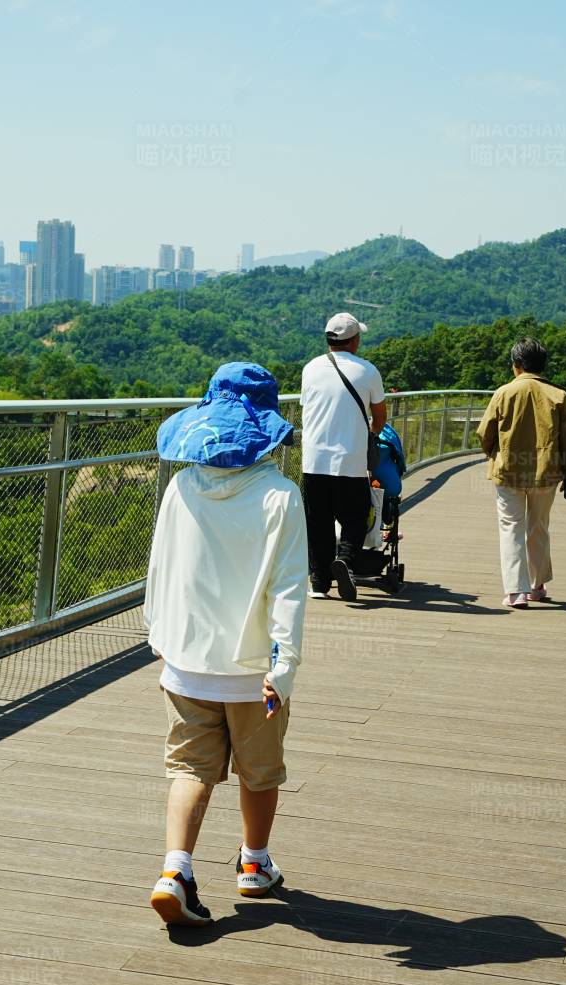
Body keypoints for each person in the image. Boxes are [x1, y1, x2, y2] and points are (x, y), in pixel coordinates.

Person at [144, 362, 308, 927]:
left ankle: (176, 871)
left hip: (186, 662)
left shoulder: (181, 485)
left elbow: (163, 567)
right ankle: (254, 865)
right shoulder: (281, 497)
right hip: (253, 672)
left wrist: (160, 636)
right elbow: (289, 590)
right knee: (260, 774)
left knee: (189, 769)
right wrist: (282, 669)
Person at [475, 338, 566, 609]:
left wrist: (493, 453)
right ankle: (538, 585)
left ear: (517, 365)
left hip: (508, 471)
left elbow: (484, 433)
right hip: (547, 473)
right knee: (539, 526)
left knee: (511, 526)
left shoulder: (503, 393)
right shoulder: (559, 395)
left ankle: (516, 592)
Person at [300, 311, 387, 600]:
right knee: (355, 515)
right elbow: (380, 419)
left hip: (313, 459)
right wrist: (370, 433)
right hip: (350, 459)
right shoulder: (368, 371)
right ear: (355, 341)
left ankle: (319, 583)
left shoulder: (310, 368)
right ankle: (346, 562)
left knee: (318, 521)